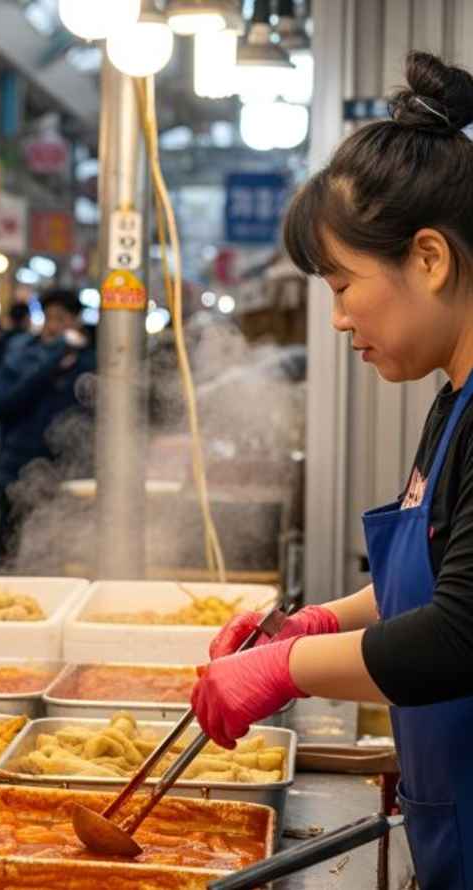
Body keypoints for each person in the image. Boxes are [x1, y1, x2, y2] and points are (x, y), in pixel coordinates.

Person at [191, 52, 473, 889]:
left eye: (345, 284)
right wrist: (310, 624)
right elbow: (438, 573)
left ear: (429, 259)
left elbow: (459, 632)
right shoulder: (452, 400)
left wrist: (279, 670)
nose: (341, 318)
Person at [0, 289, 95, 569]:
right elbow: (4, 403)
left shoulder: (88, 362)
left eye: (62, 319)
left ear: (75, 322)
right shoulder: (18, 355)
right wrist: (54, 361)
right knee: (8, 543)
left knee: (64, 549)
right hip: (18, 463)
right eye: (48, 318)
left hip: (69, 469)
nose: (53, 326)